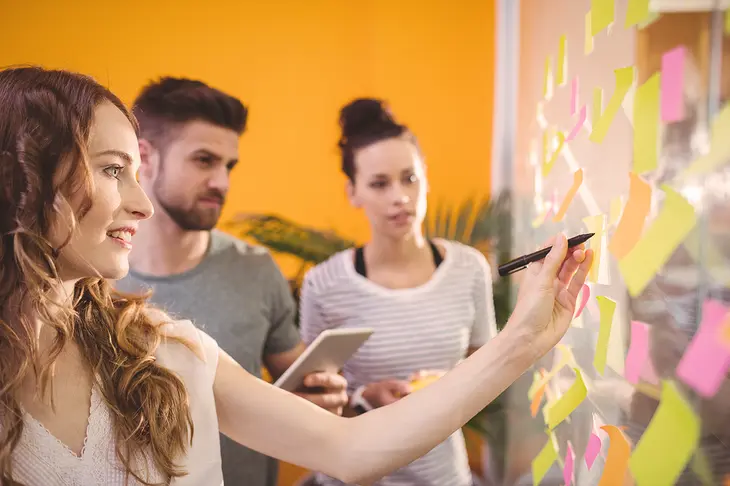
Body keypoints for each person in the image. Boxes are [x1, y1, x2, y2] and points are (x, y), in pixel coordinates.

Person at [0, 66, 592, 486]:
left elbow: (349, 449)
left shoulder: (163, 350)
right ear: (22, 179)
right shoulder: (326, 280)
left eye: (135, 172)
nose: (142, 204)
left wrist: (523, 340)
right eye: (111, 170)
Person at [111, 77, 348, 486]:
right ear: (143, 157)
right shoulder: (89, 275)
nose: (222, 182)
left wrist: (326, 398)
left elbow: (297, 391)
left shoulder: (255, 269)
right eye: (204, 160)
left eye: (228, 165)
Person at [299, 98, 499, 486]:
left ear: (426, 177)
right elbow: (313, 406)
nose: (399, 197)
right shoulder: (323, 284)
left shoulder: (469, 268)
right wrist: (363, 399)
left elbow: (489, 372)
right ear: (352, 192)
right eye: (379, 183)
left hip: (443, 477)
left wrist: (449, 388)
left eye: (410, 178)